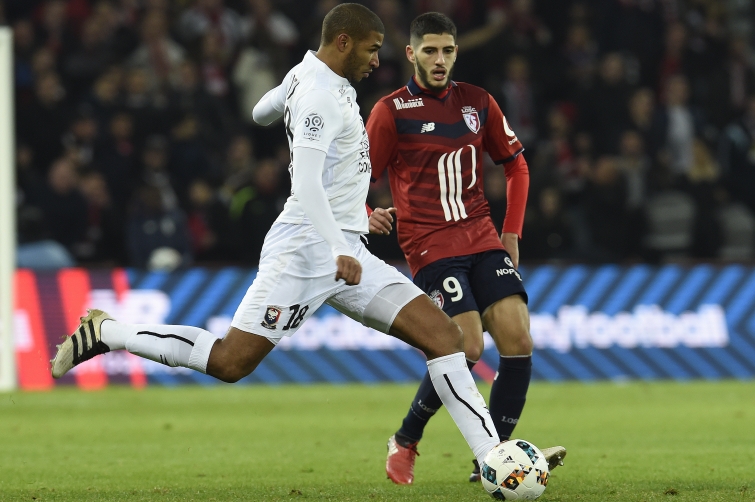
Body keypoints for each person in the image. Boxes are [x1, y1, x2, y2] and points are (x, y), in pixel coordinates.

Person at [50, 3, 503, 485]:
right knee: (230, 361)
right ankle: (108, 332)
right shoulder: (321, 97)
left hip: (347, 248)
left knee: (444, 338)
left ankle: (493, 457)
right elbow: (305, 184)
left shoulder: (307, 76)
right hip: (307, 250)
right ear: (343, 43)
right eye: (371, 50)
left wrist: (354, 219)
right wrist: (338, 245)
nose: (377, 60)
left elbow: (258, 111)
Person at [365, 13, 566, 485]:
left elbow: (516, 165)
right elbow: (356, 177)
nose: (440, 60)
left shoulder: (477, 102)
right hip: (430, 244)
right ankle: (406, 439)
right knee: (467, 344)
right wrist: (365, 213)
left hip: (482, 235)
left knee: (518, 339)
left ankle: (493, 458)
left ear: (457, 52)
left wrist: (511, 233)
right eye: (430, 51)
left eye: (448, 50)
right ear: (411, 53)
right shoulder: (391, 111)